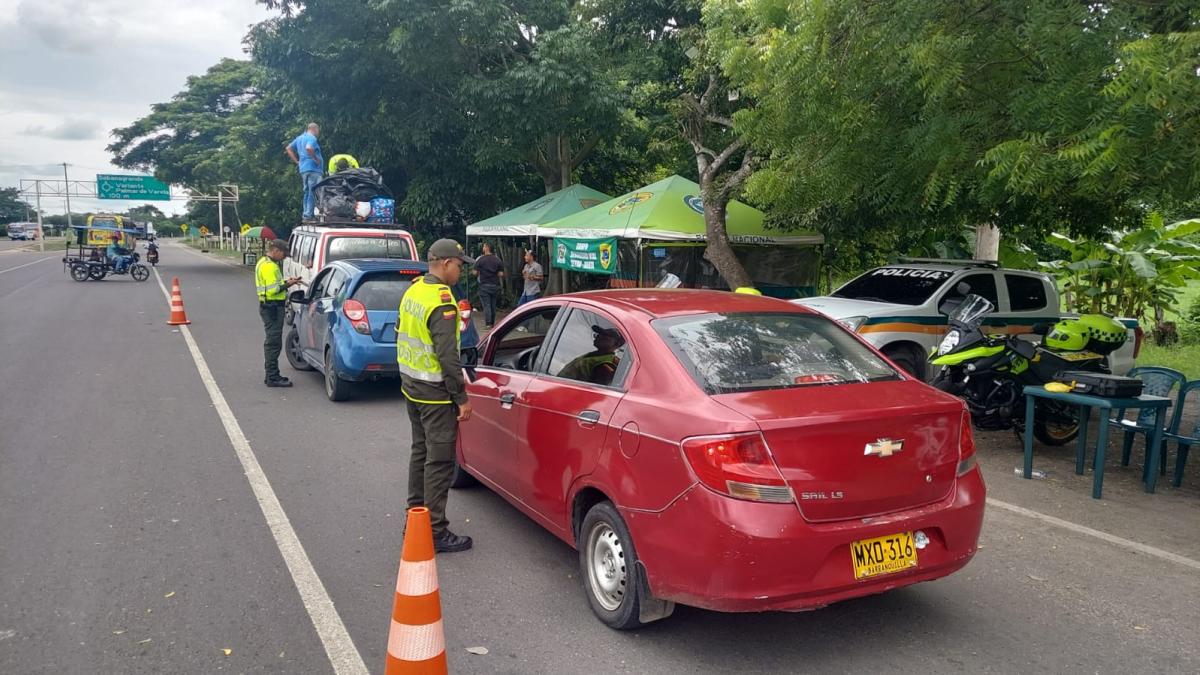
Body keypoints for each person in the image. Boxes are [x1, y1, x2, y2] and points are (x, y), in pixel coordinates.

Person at [397, 239, 476, 553]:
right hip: (436, 395)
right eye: (459, 265)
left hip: (412, 388)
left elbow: (401, 334)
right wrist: (462, 398)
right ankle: (435, 531)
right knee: (440, 462)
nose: (459, 271)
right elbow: (448, 357)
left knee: (420, 453)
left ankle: (414, 517)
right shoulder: (442, 301)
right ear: (445, 263)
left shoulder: (414, 290)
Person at [255, 239, 302, 387]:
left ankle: (271, 375)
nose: (284, 257)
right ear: (275, 250)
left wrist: (287, 281)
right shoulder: (270, 267)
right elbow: (273, 289)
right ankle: (272, 377)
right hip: (273, 308)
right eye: (283, 254)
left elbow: (273, 285)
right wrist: (288, 284)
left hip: (268, 306)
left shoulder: (263, 262)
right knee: (273, 343)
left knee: (272, 342)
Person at [557, 325, 624, 385]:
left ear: (617, 344)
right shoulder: (593, 355)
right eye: (598, 334)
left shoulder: (608, 363)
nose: (598, 336)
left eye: (604, 336)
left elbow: (596, 391)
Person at [285, 122, 324, 221]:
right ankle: (309, 215)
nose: (318, 133)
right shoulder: (312, 138)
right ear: (314, 129)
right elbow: (309, 148)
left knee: (307, 192)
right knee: (314, 191)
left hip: (303, 169)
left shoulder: (299, 138)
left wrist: (297, 162)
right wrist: (315, 159)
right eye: (318, 131)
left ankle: (306, 214)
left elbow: (288, 148)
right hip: (313, 169)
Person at [473, 243, 505, 328]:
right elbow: (501, 274)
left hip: (484, 285)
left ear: (487, 248)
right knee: (493, 305)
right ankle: (492, 323)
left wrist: (480, 272)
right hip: (495, 285)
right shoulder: (498, 260)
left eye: (484, 246)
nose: (483, 248)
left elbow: (475, 272)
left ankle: (488, 324)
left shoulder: (481, 259)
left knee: (487, 305)